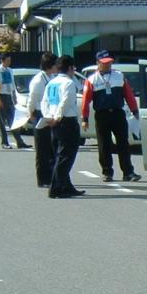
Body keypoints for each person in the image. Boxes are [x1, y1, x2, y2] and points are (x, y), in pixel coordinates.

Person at [81, 50, 141, 182]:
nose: (107, 65)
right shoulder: (92, 80)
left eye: (109, 63)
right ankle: (107, 172)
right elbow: (85, 100)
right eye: (104, 63)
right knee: (104, 144)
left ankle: (128, 172)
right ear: (98, 63)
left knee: (123, 143)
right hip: (102, 115)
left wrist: (134, 110)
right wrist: (84, 118)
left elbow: (128, 94)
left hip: (118, 113)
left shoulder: (119, 76)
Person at [42, 55, 85, 199]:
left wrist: (49, 117)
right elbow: (66, 102)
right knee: (66, 156)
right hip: (66, 121)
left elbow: (45, 102)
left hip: (54, 121)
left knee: (59, 154)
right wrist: (58, 117)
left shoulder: (51, 83)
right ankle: (56, 187)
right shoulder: (68, 83)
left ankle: (67, 185)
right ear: (71, 68)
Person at [28, 52, 58, 188]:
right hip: (40, 113)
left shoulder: (50, 77)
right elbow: (32, 99)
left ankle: (51, 175)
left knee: (50, 147)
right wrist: (31, 113)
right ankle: (42, 178)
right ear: (50, 66)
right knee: (42, 149)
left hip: (49, 113)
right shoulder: (39, 80)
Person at [0, 53, 31, 149]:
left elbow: (12, 84)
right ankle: (4, 142)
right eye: (7, 60)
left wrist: (14, 96)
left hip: (9, 96)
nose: (9, 62)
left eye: (10, 60)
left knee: (13, 120)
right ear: (2, 60)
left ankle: (19, 141)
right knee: (1, 121)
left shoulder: (10, 70)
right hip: (1, 96)